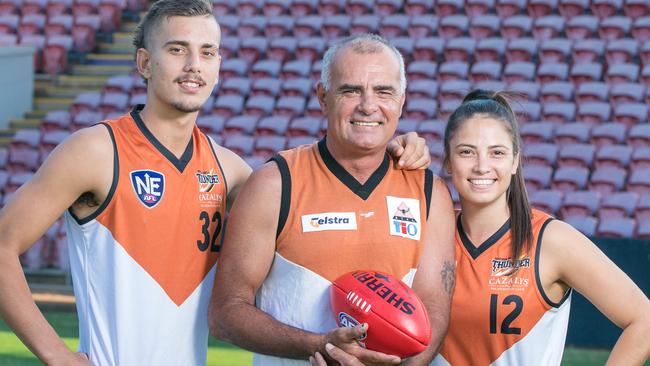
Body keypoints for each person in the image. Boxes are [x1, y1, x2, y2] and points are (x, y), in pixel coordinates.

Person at [0, 2, 432, 365]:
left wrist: (390, 147)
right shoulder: (96, 150)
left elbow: (323, 185)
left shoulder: (232, 172)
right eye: (177, 49)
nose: (194, 66)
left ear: (219, 65)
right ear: (145, 63)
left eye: (208, 52)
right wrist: (55, 354)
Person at [208, 34, 456, 366]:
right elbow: (226, 313)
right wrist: (318, 344)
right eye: (350, 90)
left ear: (401, 101)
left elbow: (434, 311)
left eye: (384, 91)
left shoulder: (429, 192)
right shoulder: (275, 184)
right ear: (323, 98)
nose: (368, 105)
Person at [430, 89, 650, 366]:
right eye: (466, 152)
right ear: (449, 161)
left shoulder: (551, 240)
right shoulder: (428, 236)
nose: (482, 166)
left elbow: (644, 320)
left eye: (496, 152)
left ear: (514, 161)